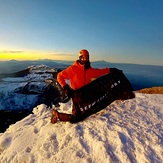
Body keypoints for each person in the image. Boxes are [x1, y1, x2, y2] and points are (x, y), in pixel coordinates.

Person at [51, 49, 110, 123]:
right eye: (83, 57)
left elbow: (98, 72)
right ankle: (57, 115)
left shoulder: (89, 70)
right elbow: (59, 76)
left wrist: (109, 70)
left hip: (86, 94)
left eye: (87, 57)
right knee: (77, 117)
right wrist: (65, 87)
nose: (85, 59)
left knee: (89, 110)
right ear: (80, 58)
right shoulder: (73, 69)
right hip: (77, 96)